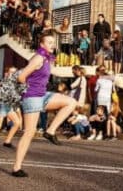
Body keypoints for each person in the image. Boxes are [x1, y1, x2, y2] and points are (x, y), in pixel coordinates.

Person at [11, 31, 78, 178]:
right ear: (42, 44)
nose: (52, 45)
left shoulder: (48, 59)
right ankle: (16, 168)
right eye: (49, 42)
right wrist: (27, 91)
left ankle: (51, 131)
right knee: (29, 133)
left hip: (43, 95)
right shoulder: (38, 58)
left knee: (71, 102)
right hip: (32, 97)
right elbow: (21, 77)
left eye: (53, 42)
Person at [0, 67, 22, 155]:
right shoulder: (6, 81)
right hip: (2, 105)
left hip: (8, 106)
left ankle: (7, 141)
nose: (13, 74)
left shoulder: (14, 81)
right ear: (8, 73)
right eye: (11, 72)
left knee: (17, 122)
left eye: (14, 72)